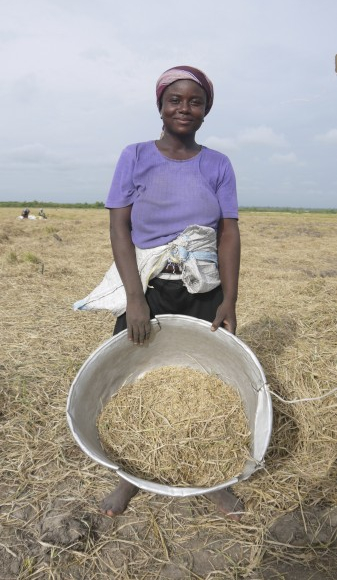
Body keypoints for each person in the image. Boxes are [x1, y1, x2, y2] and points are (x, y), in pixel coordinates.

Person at [101, 65, 242, 520]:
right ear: (160, 105)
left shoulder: (217, 163)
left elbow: (228, 234)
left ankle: (213, 480)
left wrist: (229, 301)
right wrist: (136, 299)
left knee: (209, 380)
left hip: (203, 289)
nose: (185, 108)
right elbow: (120, 229)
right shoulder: (136, 155)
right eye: (175, 100)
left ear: (207, 110)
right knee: (135, 377)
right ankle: (129, 476)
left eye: (195, 101)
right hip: (150, 287)